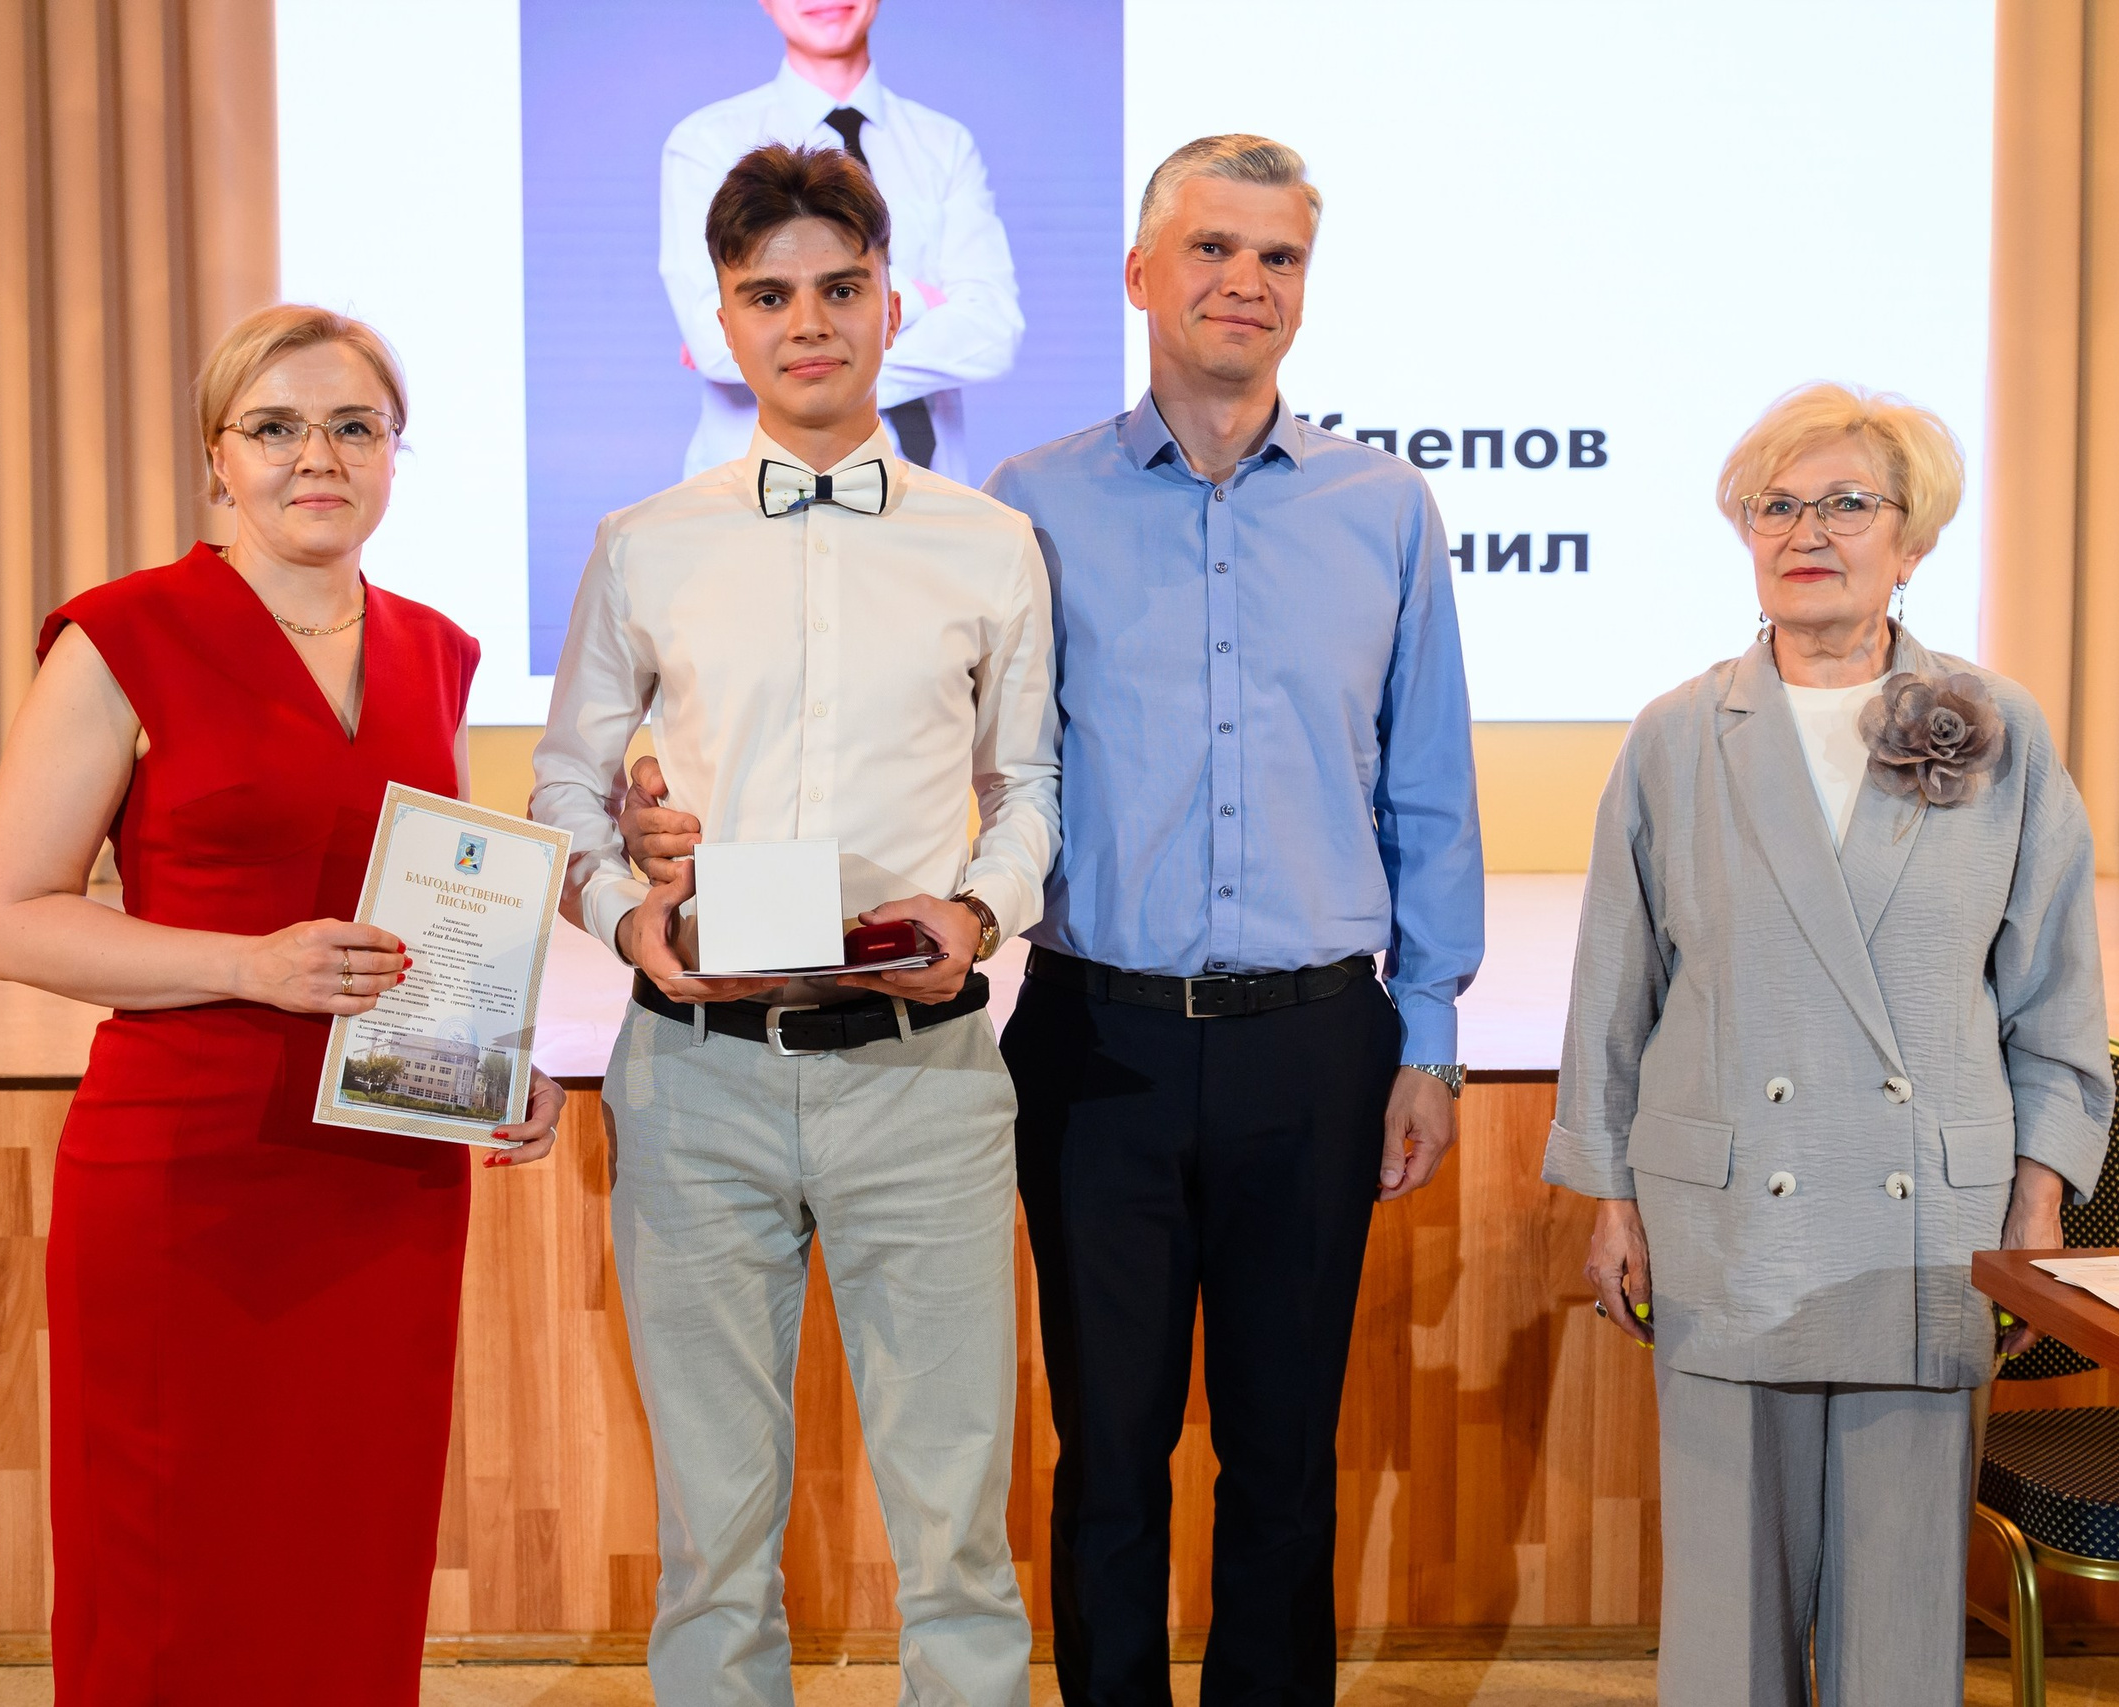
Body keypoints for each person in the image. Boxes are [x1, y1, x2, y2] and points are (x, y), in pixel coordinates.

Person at [0, 304, 564, 1707]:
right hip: (186, 1169)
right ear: (215, 461)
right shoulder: (124, 634)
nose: (319, 455)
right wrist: (248, 963)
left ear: (394, 458)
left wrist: (498, 1054)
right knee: (166, 1562)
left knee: (350, 1545)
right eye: (278, 426)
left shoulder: (439, 650)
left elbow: (436, 910)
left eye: (354, 425)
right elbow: (15, 915)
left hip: (385, 1175)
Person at [533, 143, 1056, 1702]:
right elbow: (568, 788)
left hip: (924, 1074)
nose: (808, 322)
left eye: (840, 288)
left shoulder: (988, 538)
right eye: (771, 294)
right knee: (715, 1533)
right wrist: (628, 912)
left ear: (894, 304)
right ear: (723, 319)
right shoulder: (646, 538)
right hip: (696, 1078)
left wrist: (978, 905)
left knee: (958, 1527)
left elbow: (1032, 782)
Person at [994, 134, 1482, 1704]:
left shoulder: (1387, 508)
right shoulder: (1028, 506)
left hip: (1316, 1046)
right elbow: (974, 763)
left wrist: (1433, 1031)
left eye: (1276, 259)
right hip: (1096, 1042)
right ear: (1142, 276)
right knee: (1111, 1453)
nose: (1244, 283)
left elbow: (1429, 790)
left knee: (1284, 1452)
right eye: (1212, 249)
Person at [1544, 383, 2112, 1704]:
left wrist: (2036, 1201)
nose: (1809, 529)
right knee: (1727, 1629)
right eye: (1776, 505)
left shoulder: (1996, 729)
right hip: (1728, 1213)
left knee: (1904, 1619)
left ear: (1910, 540)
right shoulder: (1677, 736)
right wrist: (1612, 1194)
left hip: (1929, 1223)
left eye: (1848, 502)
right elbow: (1613, 989)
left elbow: (2055, 992)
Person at [660, 0, 1022, 480]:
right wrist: (918, 301)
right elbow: (713, 344)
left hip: (925, 494)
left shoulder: (944, 144)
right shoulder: (707, 142)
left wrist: (801, 370)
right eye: (771, 297)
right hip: (757, 496)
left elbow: (994, 333)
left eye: (844, 292)